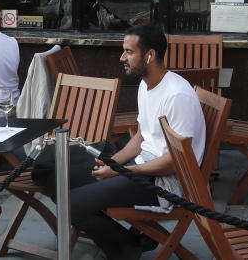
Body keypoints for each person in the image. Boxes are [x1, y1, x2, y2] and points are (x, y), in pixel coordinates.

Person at [67, 24, 206, 260]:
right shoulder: (146, 84)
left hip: (166, 182)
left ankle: (125, 249)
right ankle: (133, 241)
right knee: (63, 177)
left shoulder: (176, 95)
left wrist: (122, 171)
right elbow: (141, 136)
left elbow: (177, 163)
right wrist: (111, 163)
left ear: (149, 55)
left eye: (129, 52)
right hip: (143, 165)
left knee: (72, 203)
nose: (122, 58)